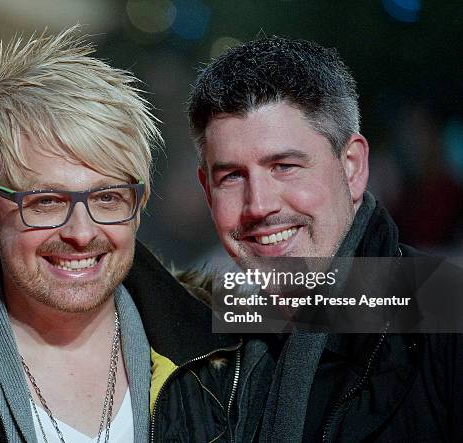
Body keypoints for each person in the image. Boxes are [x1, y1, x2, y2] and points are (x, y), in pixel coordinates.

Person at [0, 28, 243, 443]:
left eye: (108, 198)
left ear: (140, 205)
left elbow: (315, 300)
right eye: (46, 202)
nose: (81, 232)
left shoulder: (228, 337)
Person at [187, 37, 462, 442]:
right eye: (232, 177)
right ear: (207, 191)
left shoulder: (444, 311)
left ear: (351, 167)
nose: (258, 205)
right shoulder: (204, 333)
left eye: (284, 166)